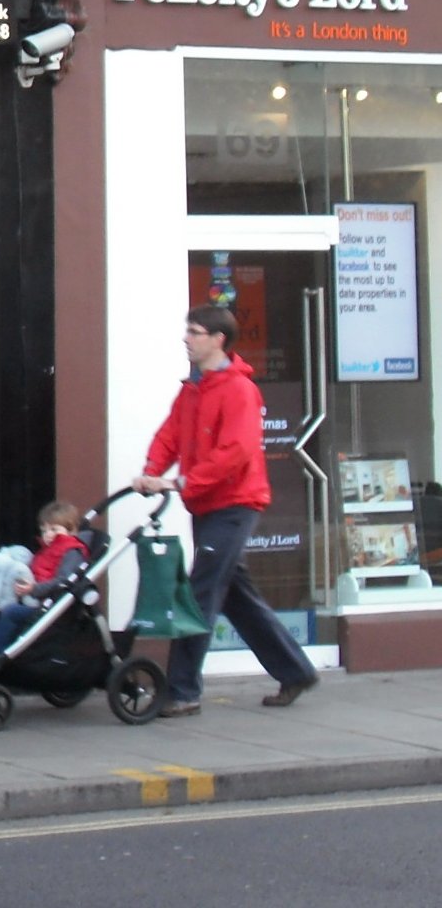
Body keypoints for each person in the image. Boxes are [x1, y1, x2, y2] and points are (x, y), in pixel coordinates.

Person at [133, 304, 320, 716]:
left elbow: (234, 453)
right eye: (187, 331)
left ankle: (182, 691)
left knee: (200, 592)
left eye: (194, 332)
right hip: (207, 504)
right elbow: (170, 435)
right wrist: (151, 472)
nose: (187, 338)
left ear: (218, 339)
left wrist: (180, 482)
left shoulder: (239, 390)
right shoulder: (194, 388)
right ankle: (295, 670)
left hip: (235, 505)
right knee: (235, 595)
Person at [0, 501, 88, 658]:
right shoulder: (46, 551)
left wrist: (33, 589)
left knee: (10, 612)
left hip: (50, 605)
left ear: (71, 530)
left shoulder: (72, 552)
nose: (48, 534)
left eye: (54, 529)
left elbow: (64, 581)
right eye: (44, 530)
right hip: (32, 598)